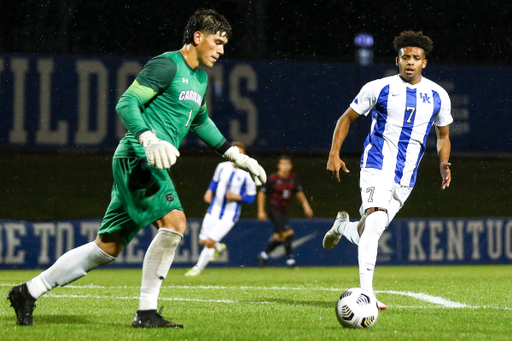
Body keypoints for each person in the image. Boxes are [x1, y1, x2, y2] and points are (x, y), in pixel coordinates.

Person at [7, 9, 266, 328]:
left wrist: (235, 155)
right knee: (176, 222)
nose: (221, 50)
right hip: (138, 157)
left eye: (224, 44)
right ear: (198, 37)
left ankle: (28, 292)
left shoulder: (199, 77)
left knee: (106, 248)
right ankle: (146, 312)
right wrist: (148, 138)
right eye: (217, 41)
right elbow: (126, 103)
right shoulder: (167, 64)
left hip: (143, 161)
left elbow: (200, 121)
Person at [322, 31, 452, 310]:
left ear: (424, 63)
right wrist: (334, 153)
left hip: (406, 176)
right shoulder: (378, 87)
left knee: (370, 230)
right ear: (397, 60)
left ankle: (342, 227)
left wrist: (443, 162)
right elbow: (346, 118)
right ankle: (366, 294)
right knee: (376, 222)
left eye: (416, 58)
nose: (410, 62)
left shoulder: (438, 95)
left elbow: (443, 135)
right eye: (406, 57)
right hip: (376, 164)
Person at [185, 142, 257, 276]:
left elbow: (251, 198)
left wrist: (238, 196)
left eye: (241, 153)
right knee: (202, 240)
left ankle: (197, 269)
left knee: (210, 241)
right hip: (214, 209)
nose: (238, 156)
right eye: (235, 153)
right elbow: (215, 181)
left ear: (244, 155)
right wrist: (209, 191)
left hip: (230, 214)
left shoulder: (248, 174)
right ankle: (219, 246)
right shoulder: (222, 167)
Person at [257, 155, 313, 268]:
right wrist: (261, 210)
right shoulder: (273, 179)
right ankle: (290, 260)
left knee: (280, 237)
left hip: (285, 211)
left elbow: (299, 193)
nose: (285, 167)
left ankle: (264, 255)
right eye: (282, 164)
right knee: (289, 232)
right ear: (278, 166)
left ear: (291, 166)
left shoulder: (293, 178)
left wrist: (306, 206)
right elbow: (262, 193)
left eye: (287, 164)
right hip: (274, 210)